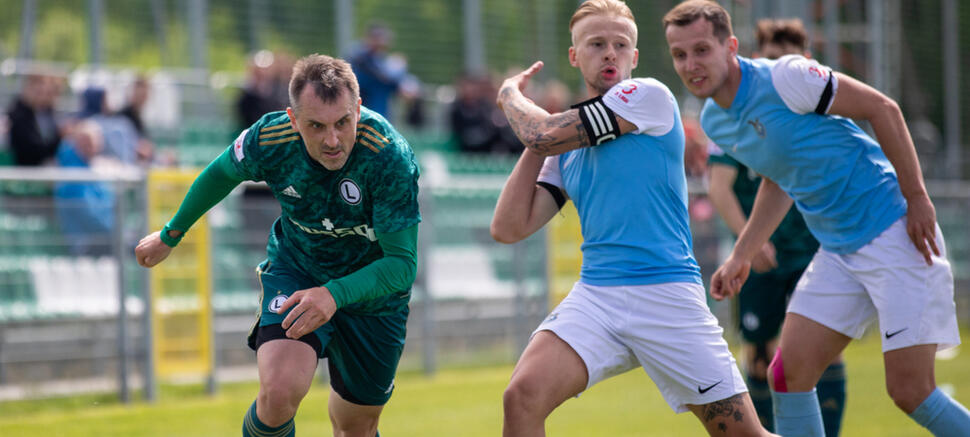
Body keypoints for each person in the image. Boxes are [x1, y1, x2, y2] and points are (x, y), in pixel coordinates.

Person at [663, 2, 968, 436]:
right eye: (679, 55)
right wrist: (741, 255)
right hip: (839, 251)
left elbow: (883, 108)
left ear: (730, 47)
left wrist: (917, 197)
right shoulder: (715, 120)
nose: (691, 65)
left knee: (911, 391)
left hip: (894, 232)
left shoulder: (785, 77)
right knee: (786, 376)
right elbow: (778, 180)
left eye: (701, 50)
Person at [491, 1, 773, 435]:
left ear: (635, 58)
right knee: (521, 396)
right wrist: (540, 138)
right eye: (597, 44)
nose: (610, 53)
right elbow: (508, 228)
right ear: (574, 56)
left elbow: (544, 132)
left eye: (621, 45)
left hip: (666, 295)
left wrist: (512, 95)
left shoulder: (647, 97)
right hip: (597, 298)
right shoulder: (564, 146)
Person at [135, 54, 421, 437]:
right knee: (279, 393)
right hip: (298, 270)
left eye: (342, 122)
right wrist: (171, 233)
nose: (332, 140)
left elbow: (401, 265)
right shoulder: (271, 138)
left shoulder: (388, 155)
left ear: (358, 108)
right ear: (292, 119)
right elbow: (221, 173)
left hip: (373, 298)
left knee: (356, 427)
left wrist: (334, 294)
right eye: (316, 126)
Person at [704, 17, 845, 435]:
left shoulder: (820, 110)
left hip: (816, 251)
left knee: (820, 353)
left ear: (806, 63)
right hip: (762, 257)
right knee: (762, 357)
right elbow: (719, 187)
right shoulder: (735, 115)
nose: (777, 73)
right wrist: (749, 244)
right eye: (768, 62)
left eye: (787, 62)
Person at [53, 120, 115, 256]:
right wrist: (118, 230)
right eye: (87, 141)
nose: (93, 145)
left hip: (102, 239)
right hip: (85, 244)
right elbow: (91, 218)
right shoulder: (73, 176)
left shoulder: (91, 168)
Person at [348, 22, 419, 120]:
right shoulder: (360, 56)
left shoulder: (380, 60)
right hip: (362, 111)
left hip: (377, 113)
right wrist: (399, 68)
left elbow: (391, 79)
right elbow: (384, 76)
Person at [7, 74, 63, 166]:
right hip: (23, 169)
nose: (42, 96)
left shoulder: (49, 113)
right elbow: (27, 146)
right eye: (38, 91)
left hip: (41, 168)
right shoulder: (17, 113)